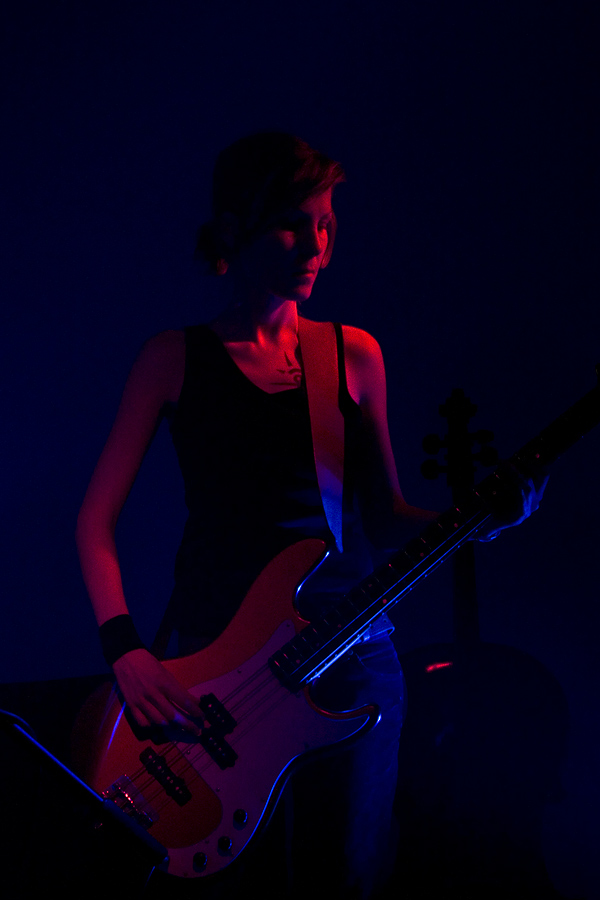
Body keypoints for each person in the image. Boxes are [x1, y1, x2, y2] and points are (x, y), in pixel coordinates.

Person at [75, 132, 545, 899]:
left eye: (327, 224)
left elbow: (385, 519)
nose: (317, 245)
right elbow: (94, 522)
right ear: (234, 229)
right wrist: (126, 650)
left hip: (350, 652)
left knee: (345, 878)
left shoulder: (351, 354)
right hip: (211, 661)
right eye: (295, 223)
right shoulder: (173, 357)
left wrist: (483, 520)